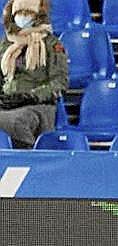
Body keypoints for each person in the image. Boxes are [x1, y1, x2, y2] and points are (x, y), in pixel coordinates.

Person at [0, 0, 68, 149]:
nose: (23, 17)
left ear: (38, 15)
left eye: (28, 13)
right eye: (19, 13)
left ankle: (28, 156)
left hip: (39, 106)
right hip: (8, 104)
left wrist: (31, 95)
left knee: (16, 121)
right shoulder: (6, 45)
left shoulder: (51, 44)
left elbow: (59, 83)